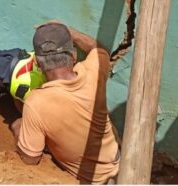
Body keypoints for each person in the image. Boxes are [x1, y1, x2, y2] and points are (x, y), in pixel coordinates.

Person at [10, 20, 120, 184]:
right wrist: (69, 31)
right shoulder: (94, 71)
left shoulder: (36, 103)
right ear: (74, 56)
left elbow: (30, 159)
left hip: (92, 181)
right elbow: (98, 50)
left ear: (38, 65)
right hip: (120, 165)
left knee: (19, 124)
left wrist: (17, 127)